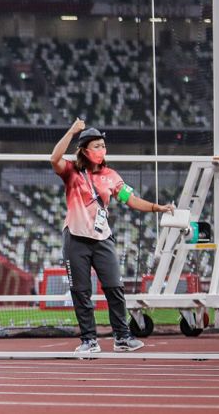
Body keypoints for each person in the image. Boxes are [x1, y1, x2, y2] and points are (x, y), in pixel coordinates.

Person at [50, 119, 174, 354]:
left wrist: (157, 208)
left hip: (103, 238)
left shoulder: (111, 175)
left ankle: (122, 338)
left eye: (103, 146)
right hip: (75, 238)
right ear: (85, 150)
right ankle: (89, 340)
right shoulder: (72, 172)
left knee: (115, 287)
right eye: (96, 146)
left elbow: (131, 199)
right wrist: (72, 131)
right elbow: (54, 158)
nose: (102, 150)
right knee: (81, 292)